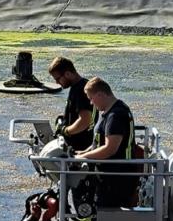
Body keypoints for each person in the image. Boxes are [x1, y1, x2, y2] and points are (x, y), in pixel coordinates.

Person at [76, 77, 137, 209]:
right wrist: (85, 151)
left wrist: (83, 158)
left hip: (115, 178)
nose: (91, 103)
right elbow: (100, 140)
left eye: (91, 98)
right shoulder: (107, 112)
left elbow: (110, 148)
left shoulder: (115, 115)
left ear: (100, 94)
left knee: (108, 215)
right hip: (107, 177)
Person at [48, 57, 95, 152]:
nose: (56, 82)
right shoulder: (78, 87)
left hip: (80, 146)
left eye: (57, 79)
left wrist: (65, 130)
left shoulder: (80, 90)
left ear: (68, 74)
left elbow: (85, 120)